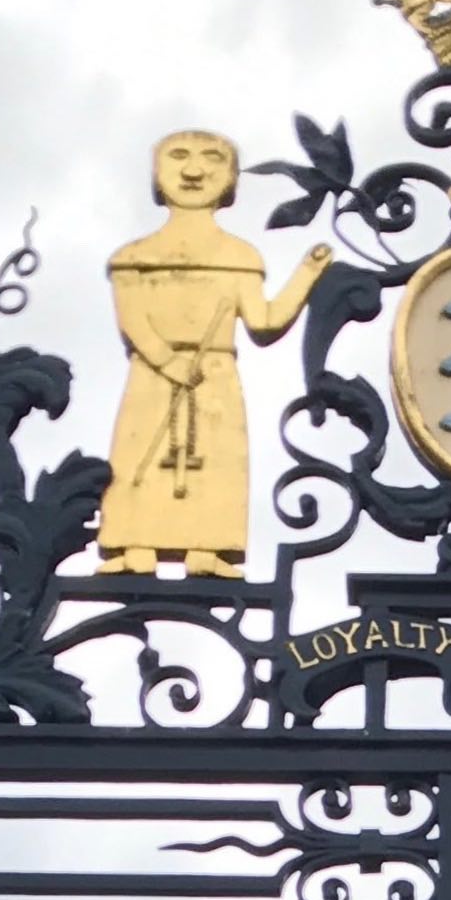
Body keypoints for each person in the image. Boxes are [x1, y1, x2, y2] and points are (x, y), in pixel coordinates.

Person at [98, 130, 331, 576]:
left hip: (215, 372)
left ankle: (208, 548)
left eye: (211, 159)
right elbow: (132, 320)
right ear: (157, 173)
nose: (193, 170)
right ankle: (133, 543)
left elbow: (264, 321)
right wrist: (167, 361)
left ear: (230, 180)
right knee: (140, 455)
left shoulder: (240, 256)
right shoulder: (134, 257)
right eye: (178, 157)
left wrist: (307, 272)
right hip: (154, 374)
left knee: (217, 462)